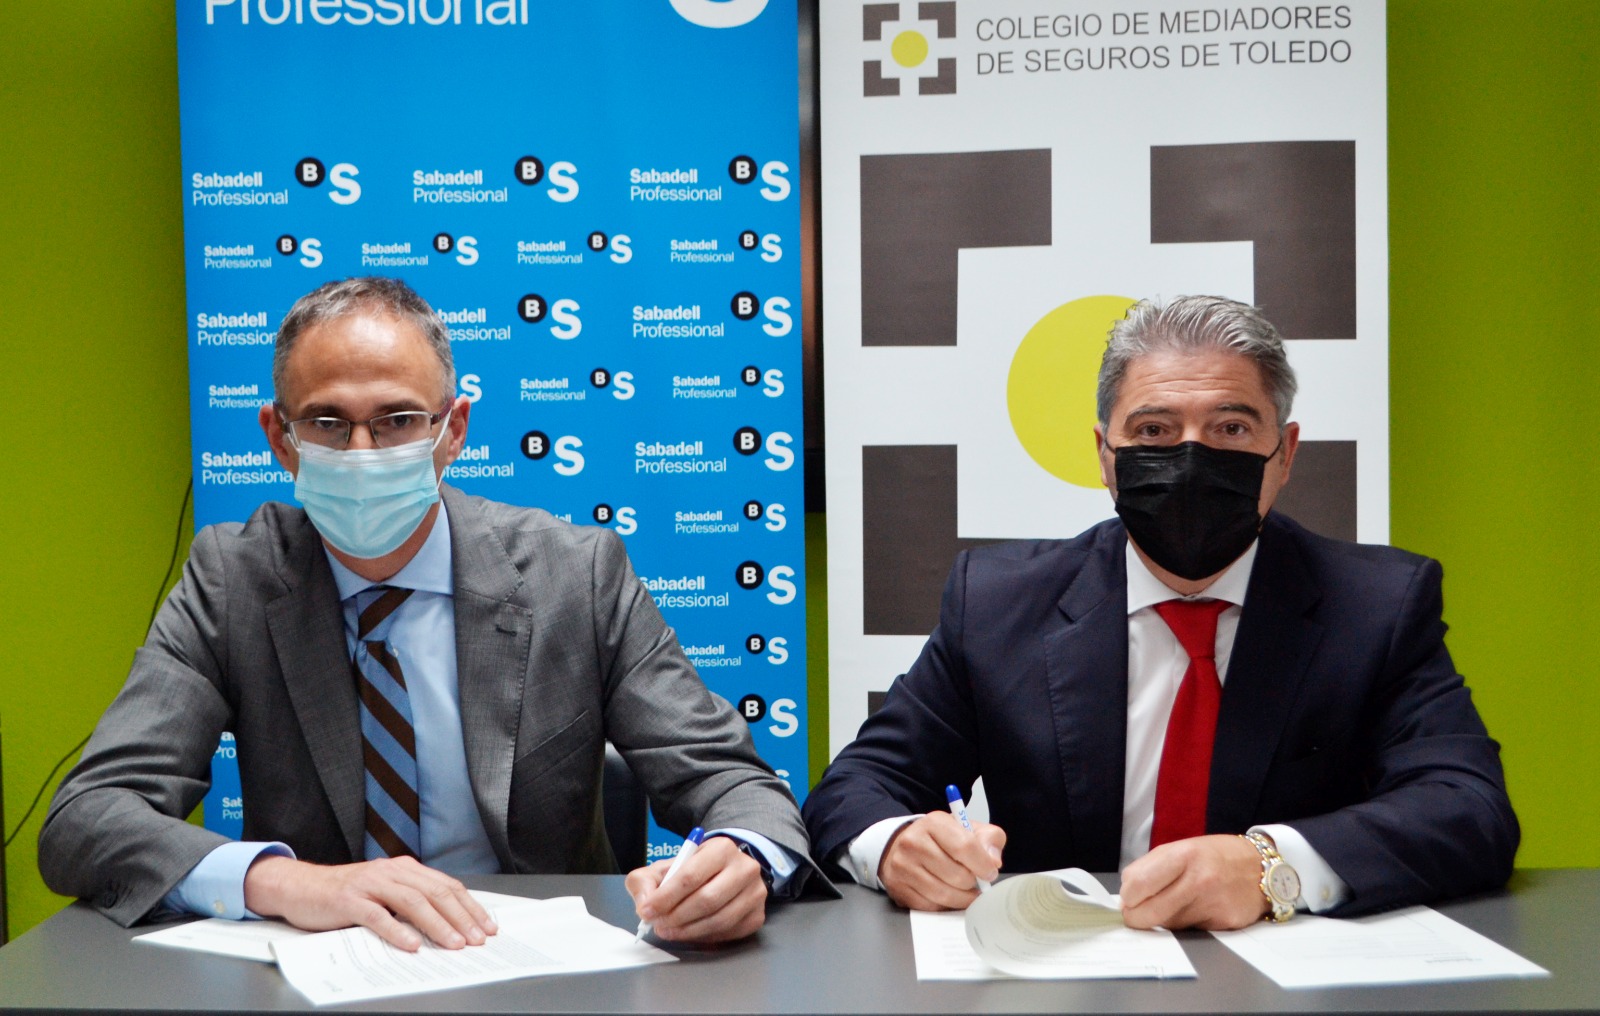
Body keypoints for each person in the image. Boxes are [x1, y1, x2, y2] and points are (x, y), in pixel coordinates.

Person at [40, 276, 830, 951]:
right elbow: (87, 816)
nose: (362, 452)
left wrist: (742, 856)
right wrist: (285, 881)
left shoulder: (576, 573)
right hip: (325, 972)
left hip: (541, 975)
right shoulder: (233, 579)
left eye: (396, 420)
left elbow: (733, 780)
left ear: (452, 430)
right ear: (280, 439)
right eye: (326, 423)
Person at [803, 295, 1518, 929]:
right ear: (1105, 455)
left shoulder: (1377, 606)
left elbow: (1468, 807)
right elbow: (858, 787)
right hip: (1065, 984)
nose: (1190, 459)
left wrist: (1271, 867)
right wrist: (896, 846)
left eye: (1230, 429)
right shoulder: (997, 602)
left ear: (1284, 453)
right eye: (1152, 431)